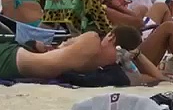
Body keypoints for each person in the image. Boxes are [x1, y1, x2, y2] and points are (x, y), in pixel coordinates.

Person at [0, 27, 139, 81]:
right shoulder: (110, 70)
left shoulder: (91, 39)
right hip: (14, 59)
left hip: (12, 58)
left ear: (111, 37)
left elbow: (62, 46)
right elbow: (149, 78)